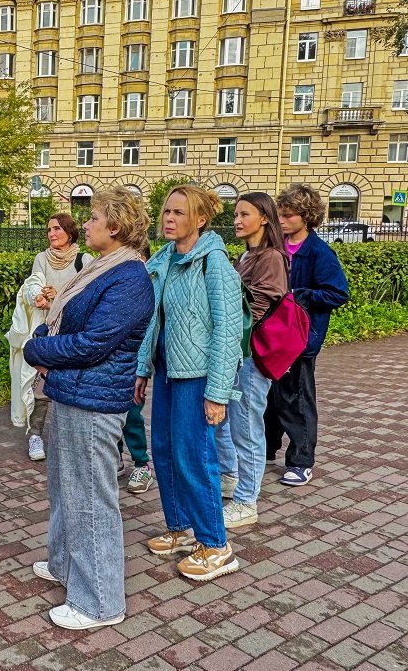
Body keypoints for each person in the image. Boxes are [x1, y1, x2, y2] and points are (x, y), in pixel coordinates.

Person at [23, 187, 154, 630]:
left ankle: (99, 602)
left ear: (114, 227)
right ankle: (65, 566)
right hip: (74, 392)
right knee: (66, 489)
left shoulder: (130, 277)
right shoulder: (104, 268)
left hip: (94, 400)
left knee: (91, 501)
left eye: (95, 217)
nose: (89, 223)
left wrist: (39, 346)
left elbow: (94, 343)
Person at [134, 185, 244, 581]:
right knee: (163, 450)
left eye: (179, 213)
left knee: (194, 456)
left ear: (199, 220)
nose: (169, 218)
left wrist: (217, 394)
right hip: (167, 370)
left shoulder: (212, 262)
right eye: (166, 211)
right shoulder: (163, 259)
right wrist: (143, 369)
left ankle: (216, 545)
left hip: (197, 375)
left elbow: (229, 331)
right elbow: (155, 320)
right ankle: (180, 529)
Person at [265, 184, 350, 486]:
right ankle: (267, 448)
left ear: (307, 216)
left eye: (288, 216)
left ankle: (302, 461)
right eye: (280, 215)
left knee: (297, 398)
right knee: (269, 395)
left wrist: (299, 296)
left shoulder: (318, 252)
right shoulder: (274, 246)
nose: (282, 220)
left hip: (300, 339)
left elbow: (338, 293)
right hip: (272, 337)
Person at [215, 193, 289, 527]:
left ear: (264, 218)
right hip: (237, 352)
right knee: (228, 421)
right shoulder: (246, 254)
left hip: (251, 355)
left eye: (245, 214)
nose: (237, 220)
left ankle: (247, 501)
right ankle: (232, 478)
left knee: (246, 427)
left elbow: (257, 307)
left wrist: (227, 331)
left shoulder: (271, 257)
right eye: (235, 214)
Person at [18, 213, 86, 462]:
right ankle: (35, 435)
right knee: (41, 384)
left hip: (74, 332)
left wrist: (59, 297)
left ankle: (71, 439)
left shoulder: (83, 259)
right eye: (48, 230)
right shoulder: (41, 258)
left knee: (74, 385)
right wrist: (39, 296)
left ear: (69, 231)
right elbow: (33, 285)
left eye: (57, 229)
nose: (51, 234)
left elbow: (86, 297)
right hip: (48, 331)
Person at [121, 239, 156, 495]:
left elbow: (151, 329)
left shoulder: (150, 286)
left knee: (133, 413)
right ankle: (115, 460)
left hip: (134, 362)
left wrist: (141, 368)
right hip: (113, 361)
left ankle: (141, 464)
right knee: (109, 415)